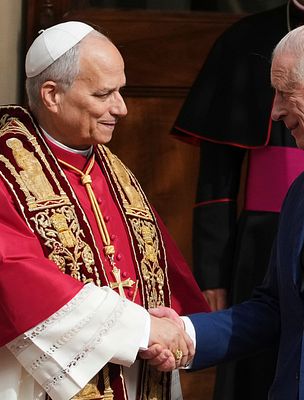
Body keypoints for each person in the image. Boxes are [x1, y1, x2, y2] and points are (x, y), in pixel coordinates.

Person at [148, 19, 304, 399]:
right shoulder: (302, 188)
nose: (275, 112)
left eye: (284, 93)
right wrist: (188, 333)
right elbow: (275, 307)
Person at [0, 21, 209, 400]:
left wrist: (168, 331)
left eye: (120, 91)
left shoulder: (114, 172)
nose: (122, 108)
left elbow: (163, 276)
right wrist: (139, 329)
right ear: (51, 95)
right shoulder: (7, 166)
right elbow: (15, 273)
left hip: (134, 374)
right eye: (103, 94)